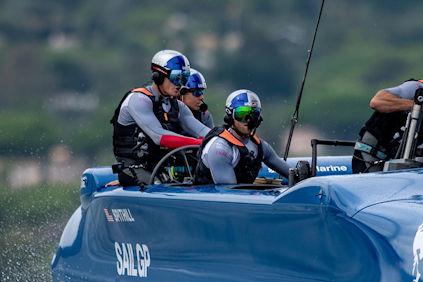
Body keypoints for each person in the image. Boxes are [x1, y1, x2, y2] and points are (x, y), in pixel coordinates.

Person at [110, 50, 211, 178]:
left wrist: (221, 141)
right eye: (176, 77)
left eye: (184, 78)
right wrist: (199, 143)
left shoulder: (178, 106)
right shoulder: (138, 99)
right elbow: (159, 137)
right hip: (132, 169)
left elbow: (203, 131)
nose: (180, 84)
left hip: (161, 168)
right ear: (159, 76)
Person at [196, 89, 290, 185]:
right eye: (241, 114)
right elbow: (228, 193)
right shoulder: (220, 149)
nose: (248, 120)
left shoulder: (260, 146)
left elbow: (291, 173)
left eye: (254, 114)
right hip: (213, 197)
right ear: (230, 115)